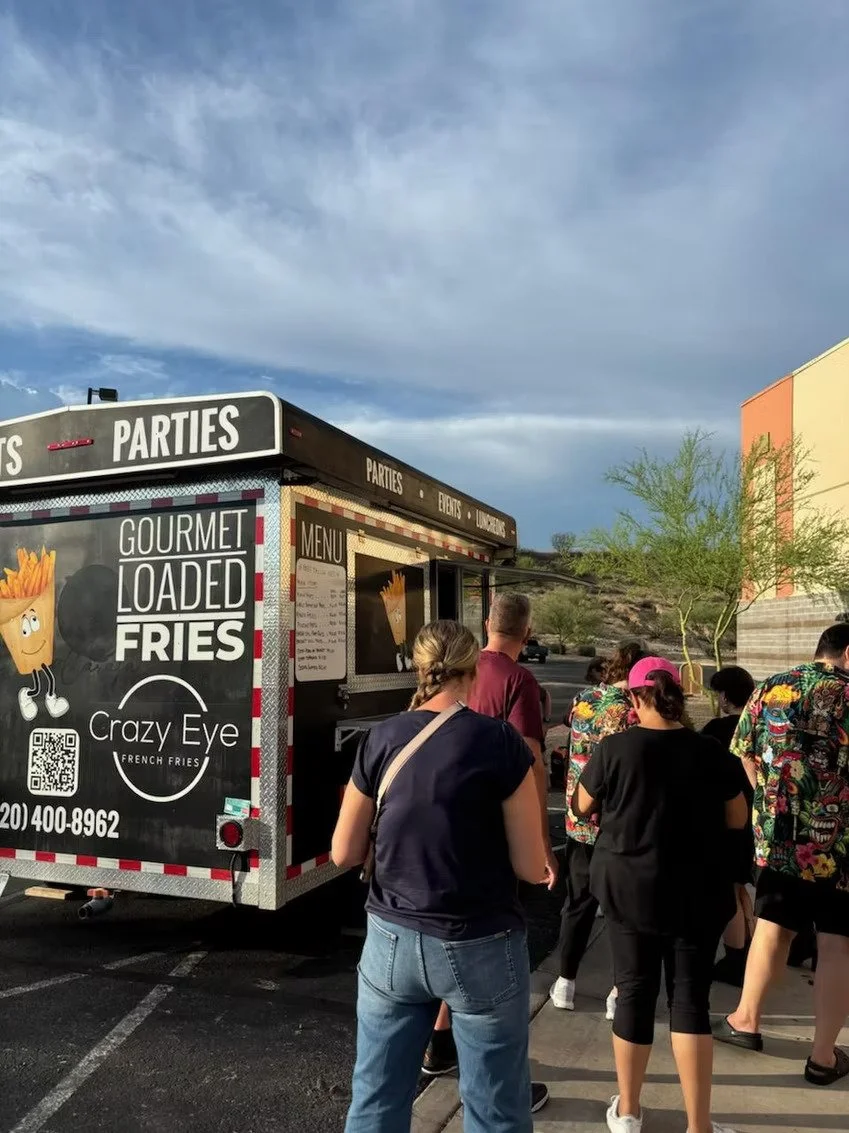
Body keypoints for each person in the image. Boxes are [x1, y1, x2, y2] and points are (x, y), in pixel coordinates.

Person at [333, 620, 548, 1133]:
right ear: (473, 671)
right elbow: (529, 865)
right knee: (495, 1109)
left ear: (420, 668)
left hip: (391, 941)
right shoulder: (500, 742)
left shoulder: (381, 737)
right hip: (482, 943)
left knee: (376, 1101)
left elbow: (343, 851)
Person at [574, 656, 746, 1133]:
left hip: (631, 890)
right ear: (677, 693)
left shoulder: (615, 749)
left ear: (633, 698)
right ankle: (699, 1126)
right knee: (690, 1002)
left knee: (634, 991)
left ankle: (627, 1111)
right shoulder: (711, 751)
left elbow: (582, 805)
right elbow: (737, 818)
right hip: (698, 892)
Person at [421, 594, 553, 1113]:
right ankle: (502, 1085)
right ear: (528, 630)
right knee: (491, 963)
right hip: (494, 834)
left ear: (487, 625)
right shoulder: (518, 681)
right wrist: (541, 840)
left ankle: (439, 1043)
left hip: (440, 831)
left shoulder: (460, 672)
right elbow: (531, 760)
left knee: (440, 938)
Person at [713, 624, 849, 1087]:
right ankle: (822, 1056)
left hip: (781, 840)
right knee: (835, 943)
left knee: (773, 927)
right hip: (840, 845)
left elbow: (744, 752)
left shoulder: (773, 686)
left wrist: (770, 800)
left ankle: (745, 1021)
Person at [550, 642, 645, 1017]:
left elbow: (572, 730)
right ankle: (617, 993)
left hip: (579, 819)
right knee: (624, 910)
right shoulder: (634, 714)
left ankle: (565, 982)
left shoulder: (583, 699)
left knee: (578, 903)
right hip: (618, 824)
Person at [701, 666, 757, 987]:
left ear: (725, 695)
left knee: (729, 894)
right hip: (753, 820)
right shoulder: (758, 725)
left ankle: (735, 960)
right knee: (740, 888)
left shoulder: (717, 731)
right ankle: (746, 949)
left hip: (725, 823)